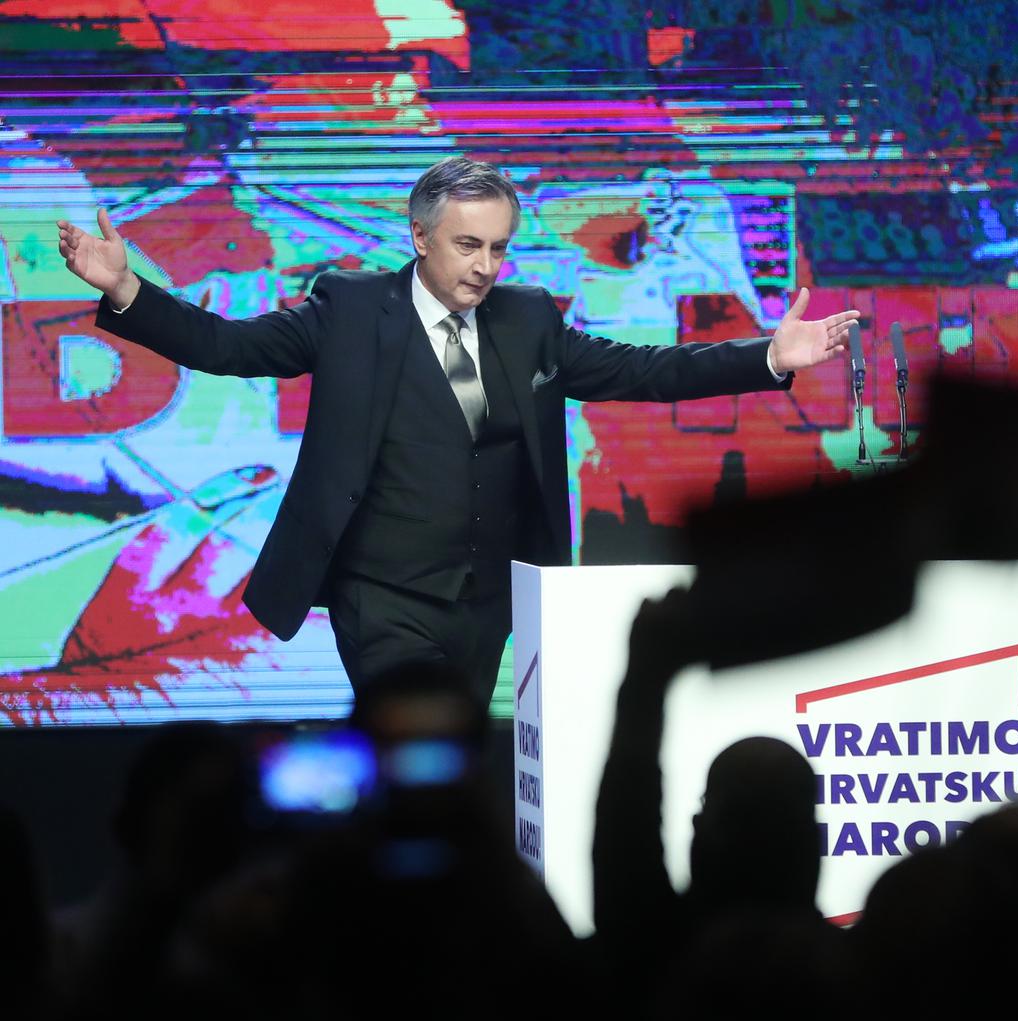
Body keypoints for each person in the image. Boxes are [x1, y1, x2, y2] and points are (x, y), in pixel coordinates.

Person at [57, 156, 860, 706]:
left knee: (455, 759)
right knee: (414, 744)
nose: (484, 266)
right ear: (420, 238)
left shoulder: (529, 319)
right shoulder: (347, 311)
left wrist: (768, 355)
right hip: (382, 596)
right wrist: (128, 288)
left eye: (498, 248)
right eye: (468, 245)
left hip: (487, 600)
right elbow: (226, 348)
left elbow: (644, 371)